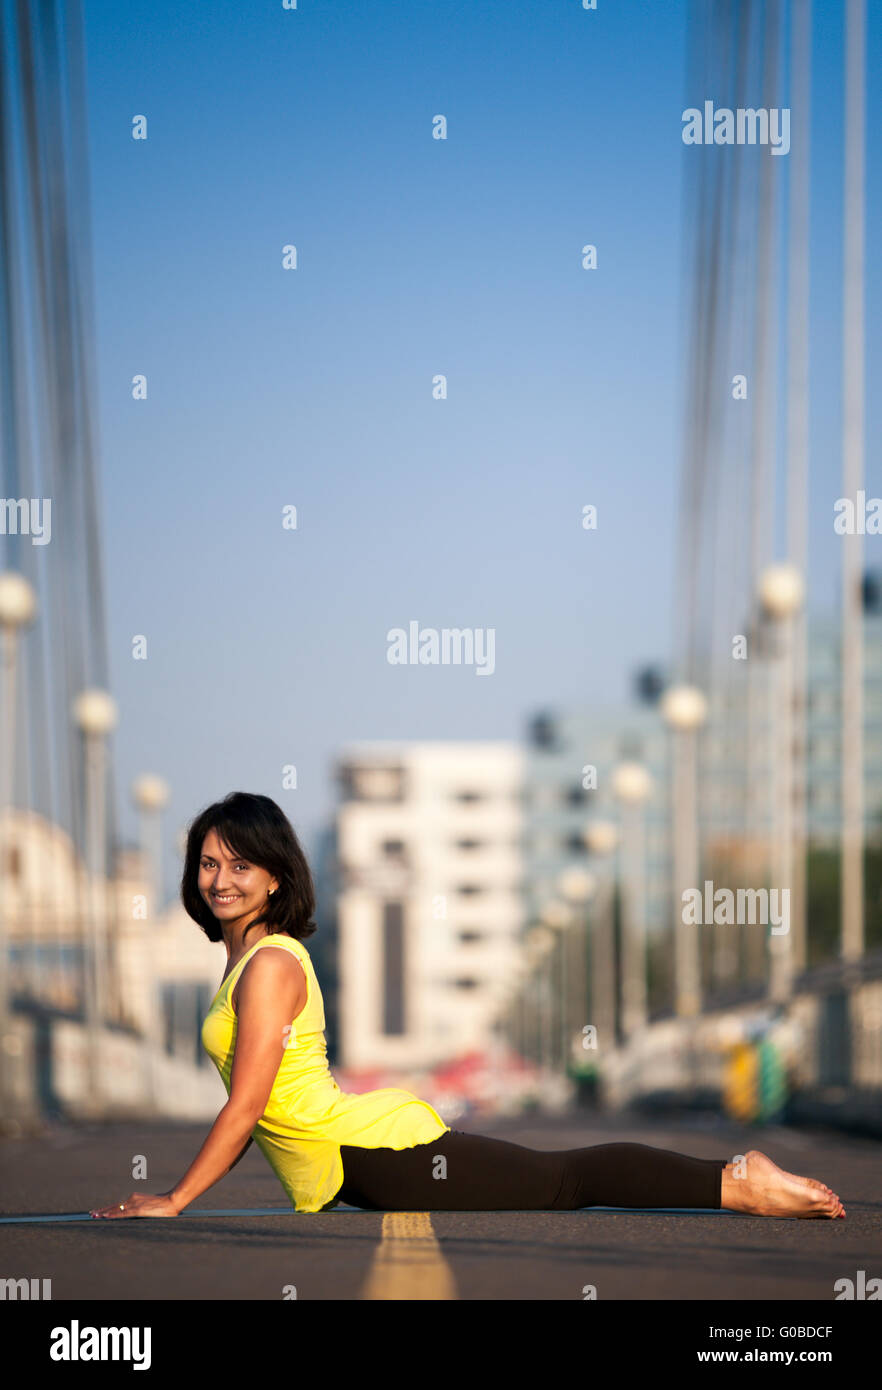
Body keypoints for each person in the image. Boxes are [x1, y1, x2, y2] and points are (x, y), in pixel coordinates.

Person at [90, 792, 845, 1221]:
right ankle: (736, 1178)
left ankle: (738, 1180)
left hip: (373, 1155)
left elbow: (248, 1104)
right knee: (560, 1180)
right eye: (209, 863)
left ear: (276, 880)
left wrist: (176, 1198)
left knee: (564, 1181)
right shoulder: (247, 963)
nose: (220, 878)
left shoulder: (270, 967)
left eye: (240, 865)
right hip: (357, 1156)